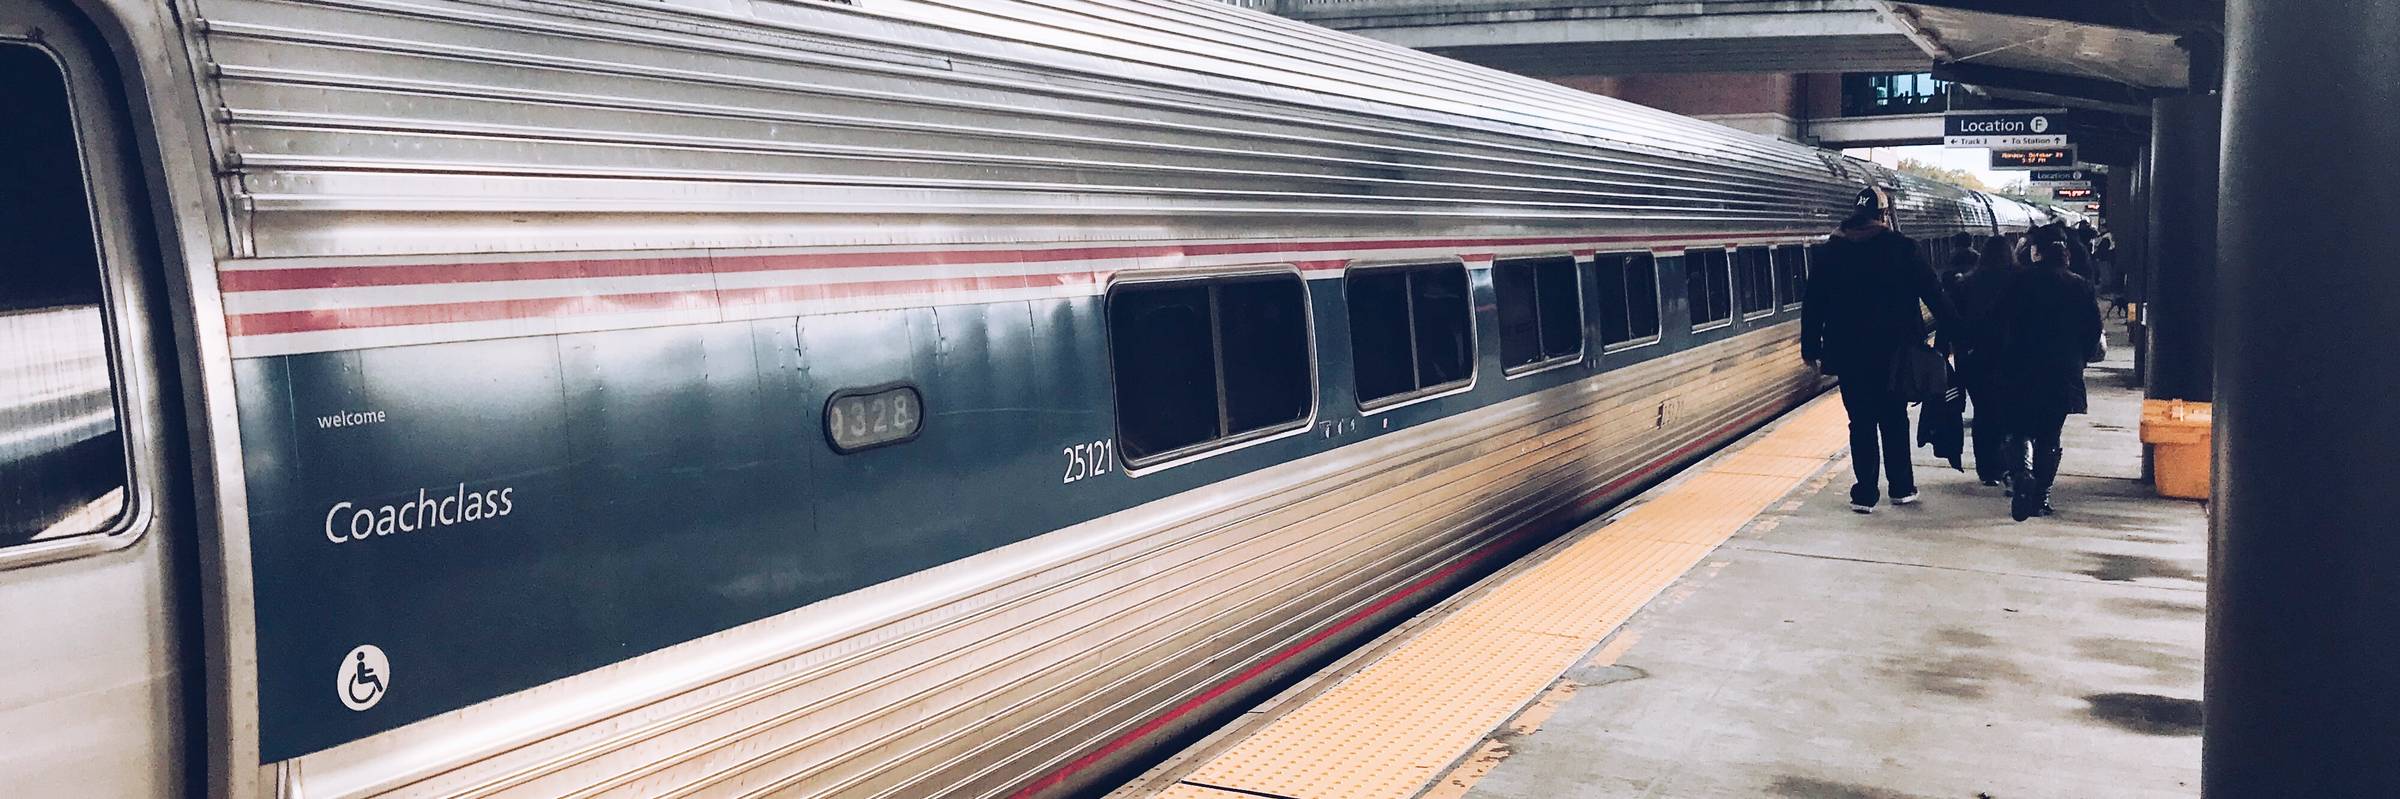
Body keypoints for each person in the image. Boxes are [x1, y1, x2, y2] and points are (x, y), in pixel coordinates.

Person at [1802, 188, 1961, 514]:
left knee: (1860, 421)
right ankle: (1901, 487)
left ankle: (1864, 494)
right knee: (1893, 419)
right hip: (1896, 353)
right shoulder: (1903, 249)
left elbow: (1813, 304)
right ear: (1885, 215)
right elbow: (1934, 294)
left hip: (1848, 354)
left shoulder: (1831, 252)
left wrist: (1810, 347)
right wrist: (1958, 331)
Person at [1991, 240, 2105, 521]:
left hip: (2018, 368)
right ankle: (2041, 497)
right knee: (2049, 436)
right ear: (2066, 259)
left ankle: (2021, 475)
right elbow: (2093, 330)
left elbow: (1997, 320)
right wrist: (2080, 358)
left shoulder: (2016, 280)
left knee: (2017, 429)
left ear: (2036, 255)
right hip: (2062, 372)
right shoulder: (2080, 285)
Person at [1951, 237, 2022, 486]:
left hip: (1975, 358)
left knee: (1983, 412)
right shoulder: (2021, 281)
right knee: (2009, 411)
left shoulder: (1967, 283)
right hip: (2012, 358)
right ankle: (2007, 465)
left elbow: (1954, 323)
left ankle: (1986, 469)